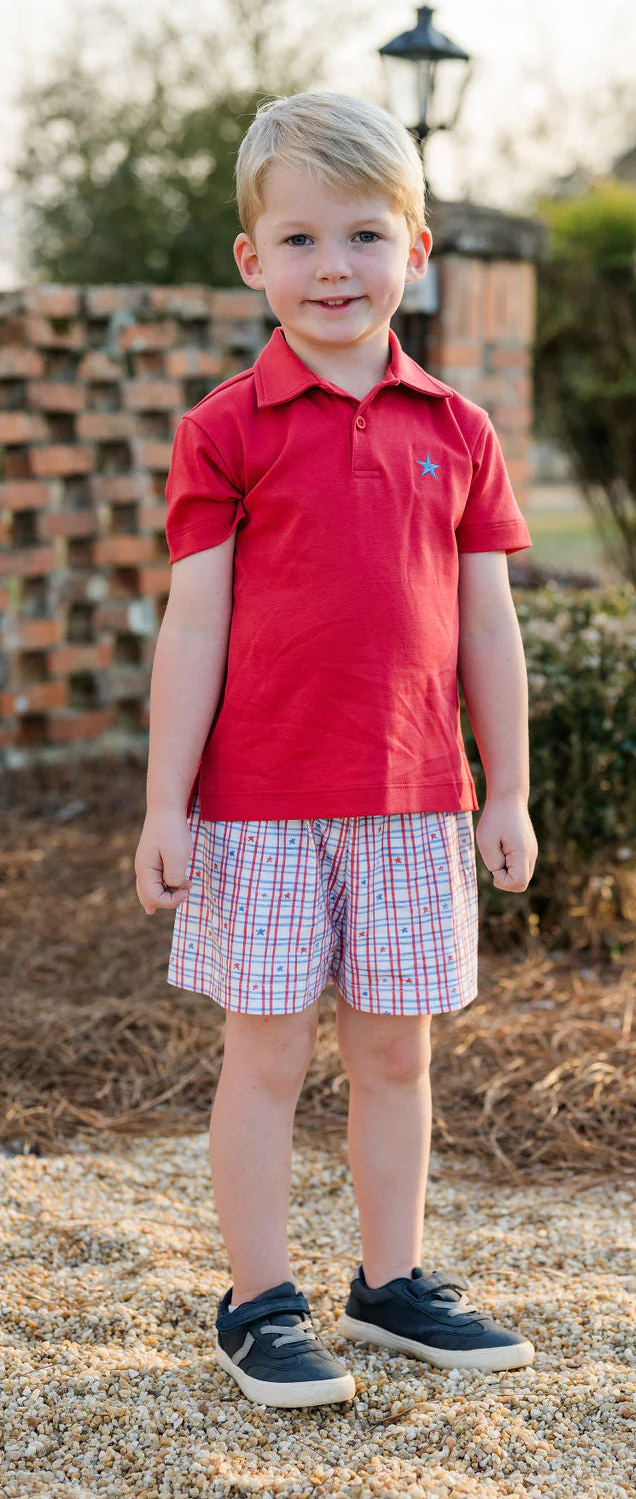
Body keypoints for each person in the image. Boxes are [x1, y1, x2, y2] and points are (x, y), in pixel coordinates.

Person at [134, 90, 539, 1409]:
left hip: (418, 804)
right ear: (253, 259)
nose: (333, 269)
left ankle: (392, 1285)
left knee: (394, 1055)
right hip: (257, 808)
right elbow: (192, 630)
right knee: (267, 1056)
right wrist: (164, 809)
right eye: (300, 240)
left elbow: (489, 627)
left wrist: (510, 791)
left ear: (415, 251)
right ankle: (258, 1305)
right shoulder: (225, 431)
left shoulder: (458, 431)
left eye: (364, 235)